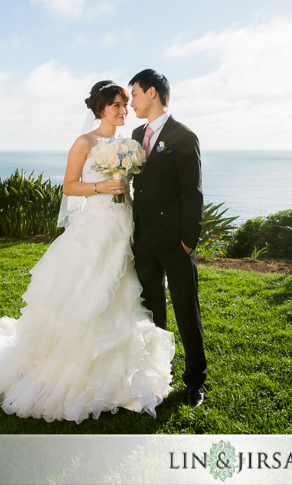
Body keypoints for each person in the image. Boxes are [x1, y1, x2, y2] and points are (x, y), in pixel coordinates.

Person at [0, 80, 175, 423]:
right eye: (116, 105)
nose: (123, 111)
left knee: (123, 293)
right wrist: (101, 186)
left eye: (124, 104)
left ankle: (122, 378)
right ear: (100, 109)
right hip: (95, 228)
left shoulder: (128, 144)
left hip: (123, 223)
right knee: (88, 294)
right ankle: (71, 373)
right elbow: (69, 186)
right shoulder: (84, 142)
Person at [128, 69, 208, 407]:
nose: (131, 101)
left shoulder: (183, 137)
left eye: (134, 94)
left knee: (186, 312)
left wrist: (188, 241)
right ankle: (159, 375)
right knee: (152, 313)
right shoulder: (135, 133)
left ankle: (195, 383)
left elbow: (193, 194)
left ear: (152, 94)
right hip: (143, 240)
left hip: (176, 243)